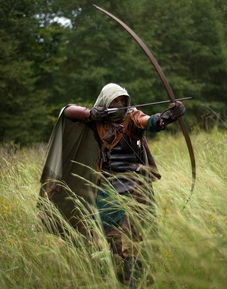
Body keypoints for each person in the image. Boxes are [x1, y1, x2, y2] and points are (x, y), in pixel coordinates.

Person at [38, 83, 185, 286]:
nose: (119, 105)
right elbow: (67, 111)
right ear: (106, 102)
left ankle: (132, 279)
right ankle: (109, 274)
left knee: (135, 236)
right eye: (114, 101)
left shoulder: (132, 117)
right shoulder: (97, 120)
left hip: (135, 185)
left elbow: (149, 122)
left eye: (122, 101)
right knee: (107, 236)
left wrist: (167, 117)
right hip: (106, 185)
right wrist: (91, 114)